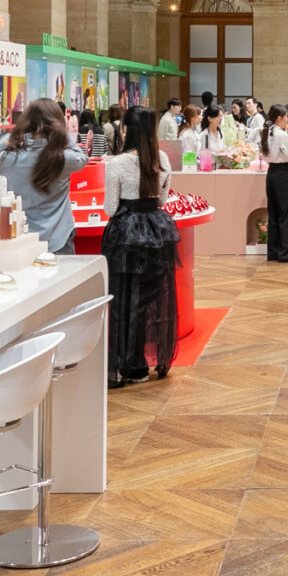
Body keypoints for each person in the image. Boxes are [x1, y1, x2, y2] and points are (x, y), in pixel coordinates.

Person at [104, 106, 179, 384]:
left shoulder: (118, 164)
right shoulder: (161, 159)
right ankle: (145, 363)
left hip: (125, 233)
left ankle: (126, 364)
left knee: (123, 300)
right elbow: (161, 201)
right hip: (157, 230)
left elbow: (111, 208)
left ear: (126, 129)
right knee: (151, 299)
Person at [0, 98, 88, 253]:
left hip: (25, 239)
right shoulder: (63, 158)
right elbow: (82, 157)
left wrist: (10, 136)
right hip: (60, 238)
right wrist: (63, 134)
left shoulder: (11, 159)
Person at [263, 103, 288, 262]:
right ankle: (286, 254)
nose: (287, 119)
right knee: (287, 214)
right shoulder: (281, 134)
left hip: (271, 173)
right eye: (286, 117)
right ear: (279, 118)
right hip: (283, 174)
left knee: (273, 214)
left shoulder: (268, 131)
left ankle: (273, 251)